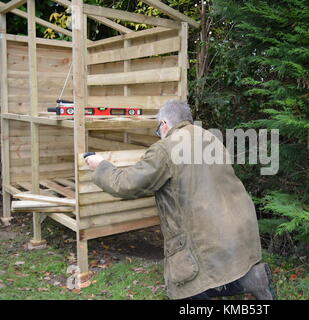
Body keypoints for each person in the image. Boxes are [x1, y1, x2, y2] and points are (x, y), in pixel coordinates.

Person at [84, 100, 276, 300]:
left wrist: (101, 166)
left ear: (164, 125)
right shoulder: (210, 137)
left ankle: (247, 281)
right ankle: (254, 277)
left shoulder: (165, 148)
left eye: (158, 129)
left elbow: (126, 184)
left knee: (183, 287)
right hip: (238, 228)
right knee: (214, 270)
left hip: (207, 235)